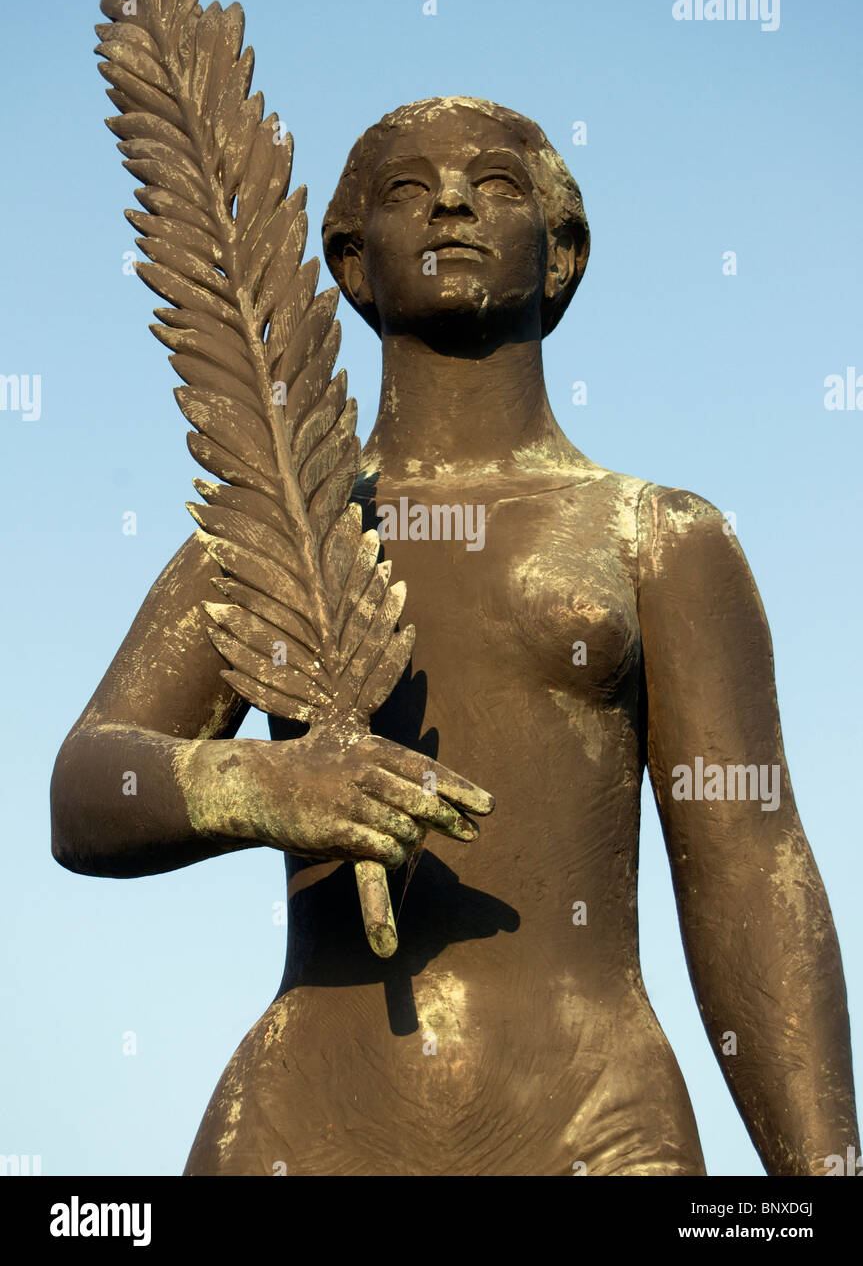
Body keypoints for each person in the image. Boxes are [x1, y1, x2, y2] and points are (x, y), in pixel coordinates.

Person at [51, 96, 858, 1176]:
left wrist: (820, 1182)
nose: (447, 200)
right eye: (404, 188)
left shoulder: (653, 536)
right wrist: (261, 784)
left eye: (496, 184)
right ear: (347, 255)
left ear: (561, 251)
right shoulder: (273, 541)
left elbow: (748, 866)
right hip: (306, 1126)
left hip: (591, 1124)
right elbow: (88, 785)